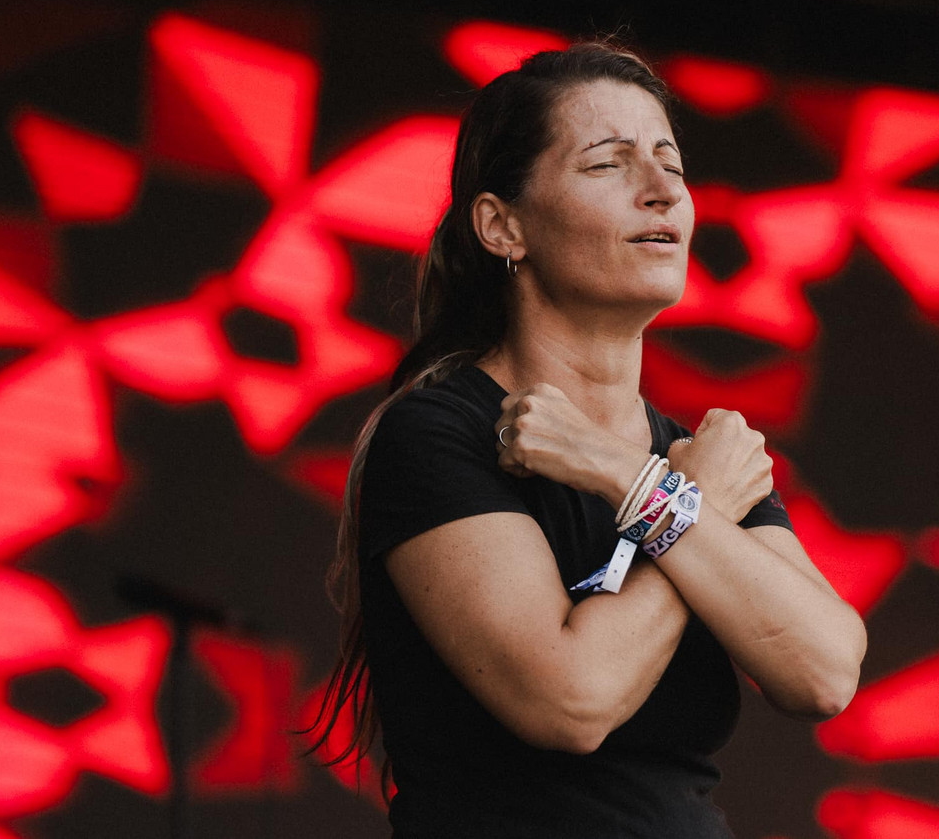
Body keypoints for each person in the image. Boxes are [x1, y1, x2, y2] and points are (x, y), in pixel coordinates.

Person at [311, 41, 867, 838]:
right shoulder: (439, 433)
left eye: (670, 163)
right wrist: (685, 505)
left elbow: (825, 671)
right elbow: (570, 699)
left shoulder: (693, 459)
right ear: (503, 227)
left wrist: (632, 480)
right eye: (609, 165)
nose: (662, 191)